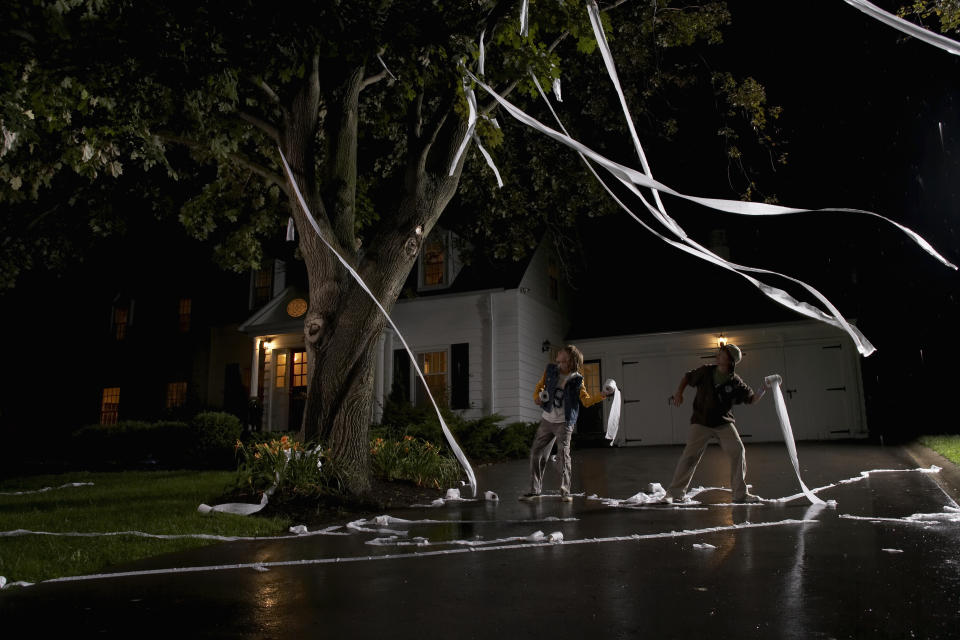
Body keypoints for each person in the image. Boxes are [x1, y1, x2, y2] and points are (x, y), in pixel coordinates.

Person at [663, 343, 766, 504]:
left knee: (738, 451)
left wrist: (764, 388)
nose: (718, 355)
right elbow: (687, 377)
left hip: (722, 423)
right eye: (719, 353)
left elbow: (751, 399)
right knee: (689, 457)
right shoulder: (705, 371)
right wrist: (679, 394)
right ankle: (674, 494)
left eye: (722, 354)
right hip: (701, 422)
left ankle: (740, 495)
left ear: (730, 360)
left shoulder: (735, 382)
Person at [520, 345, 609, 502]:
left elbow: (586, 402)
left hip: (564, 423)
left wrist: (602, 395)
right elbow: (539, 386)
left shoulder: (577, 381)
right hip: (547, 419)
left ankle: (565, 490)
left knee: (563, 455)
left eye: (563, 362)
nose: (559, 365)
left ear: (572, 362)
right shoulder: (551, 371)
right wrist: (536, 397)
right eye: (558, 361)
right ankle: (534, 489)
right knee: (536, 453)